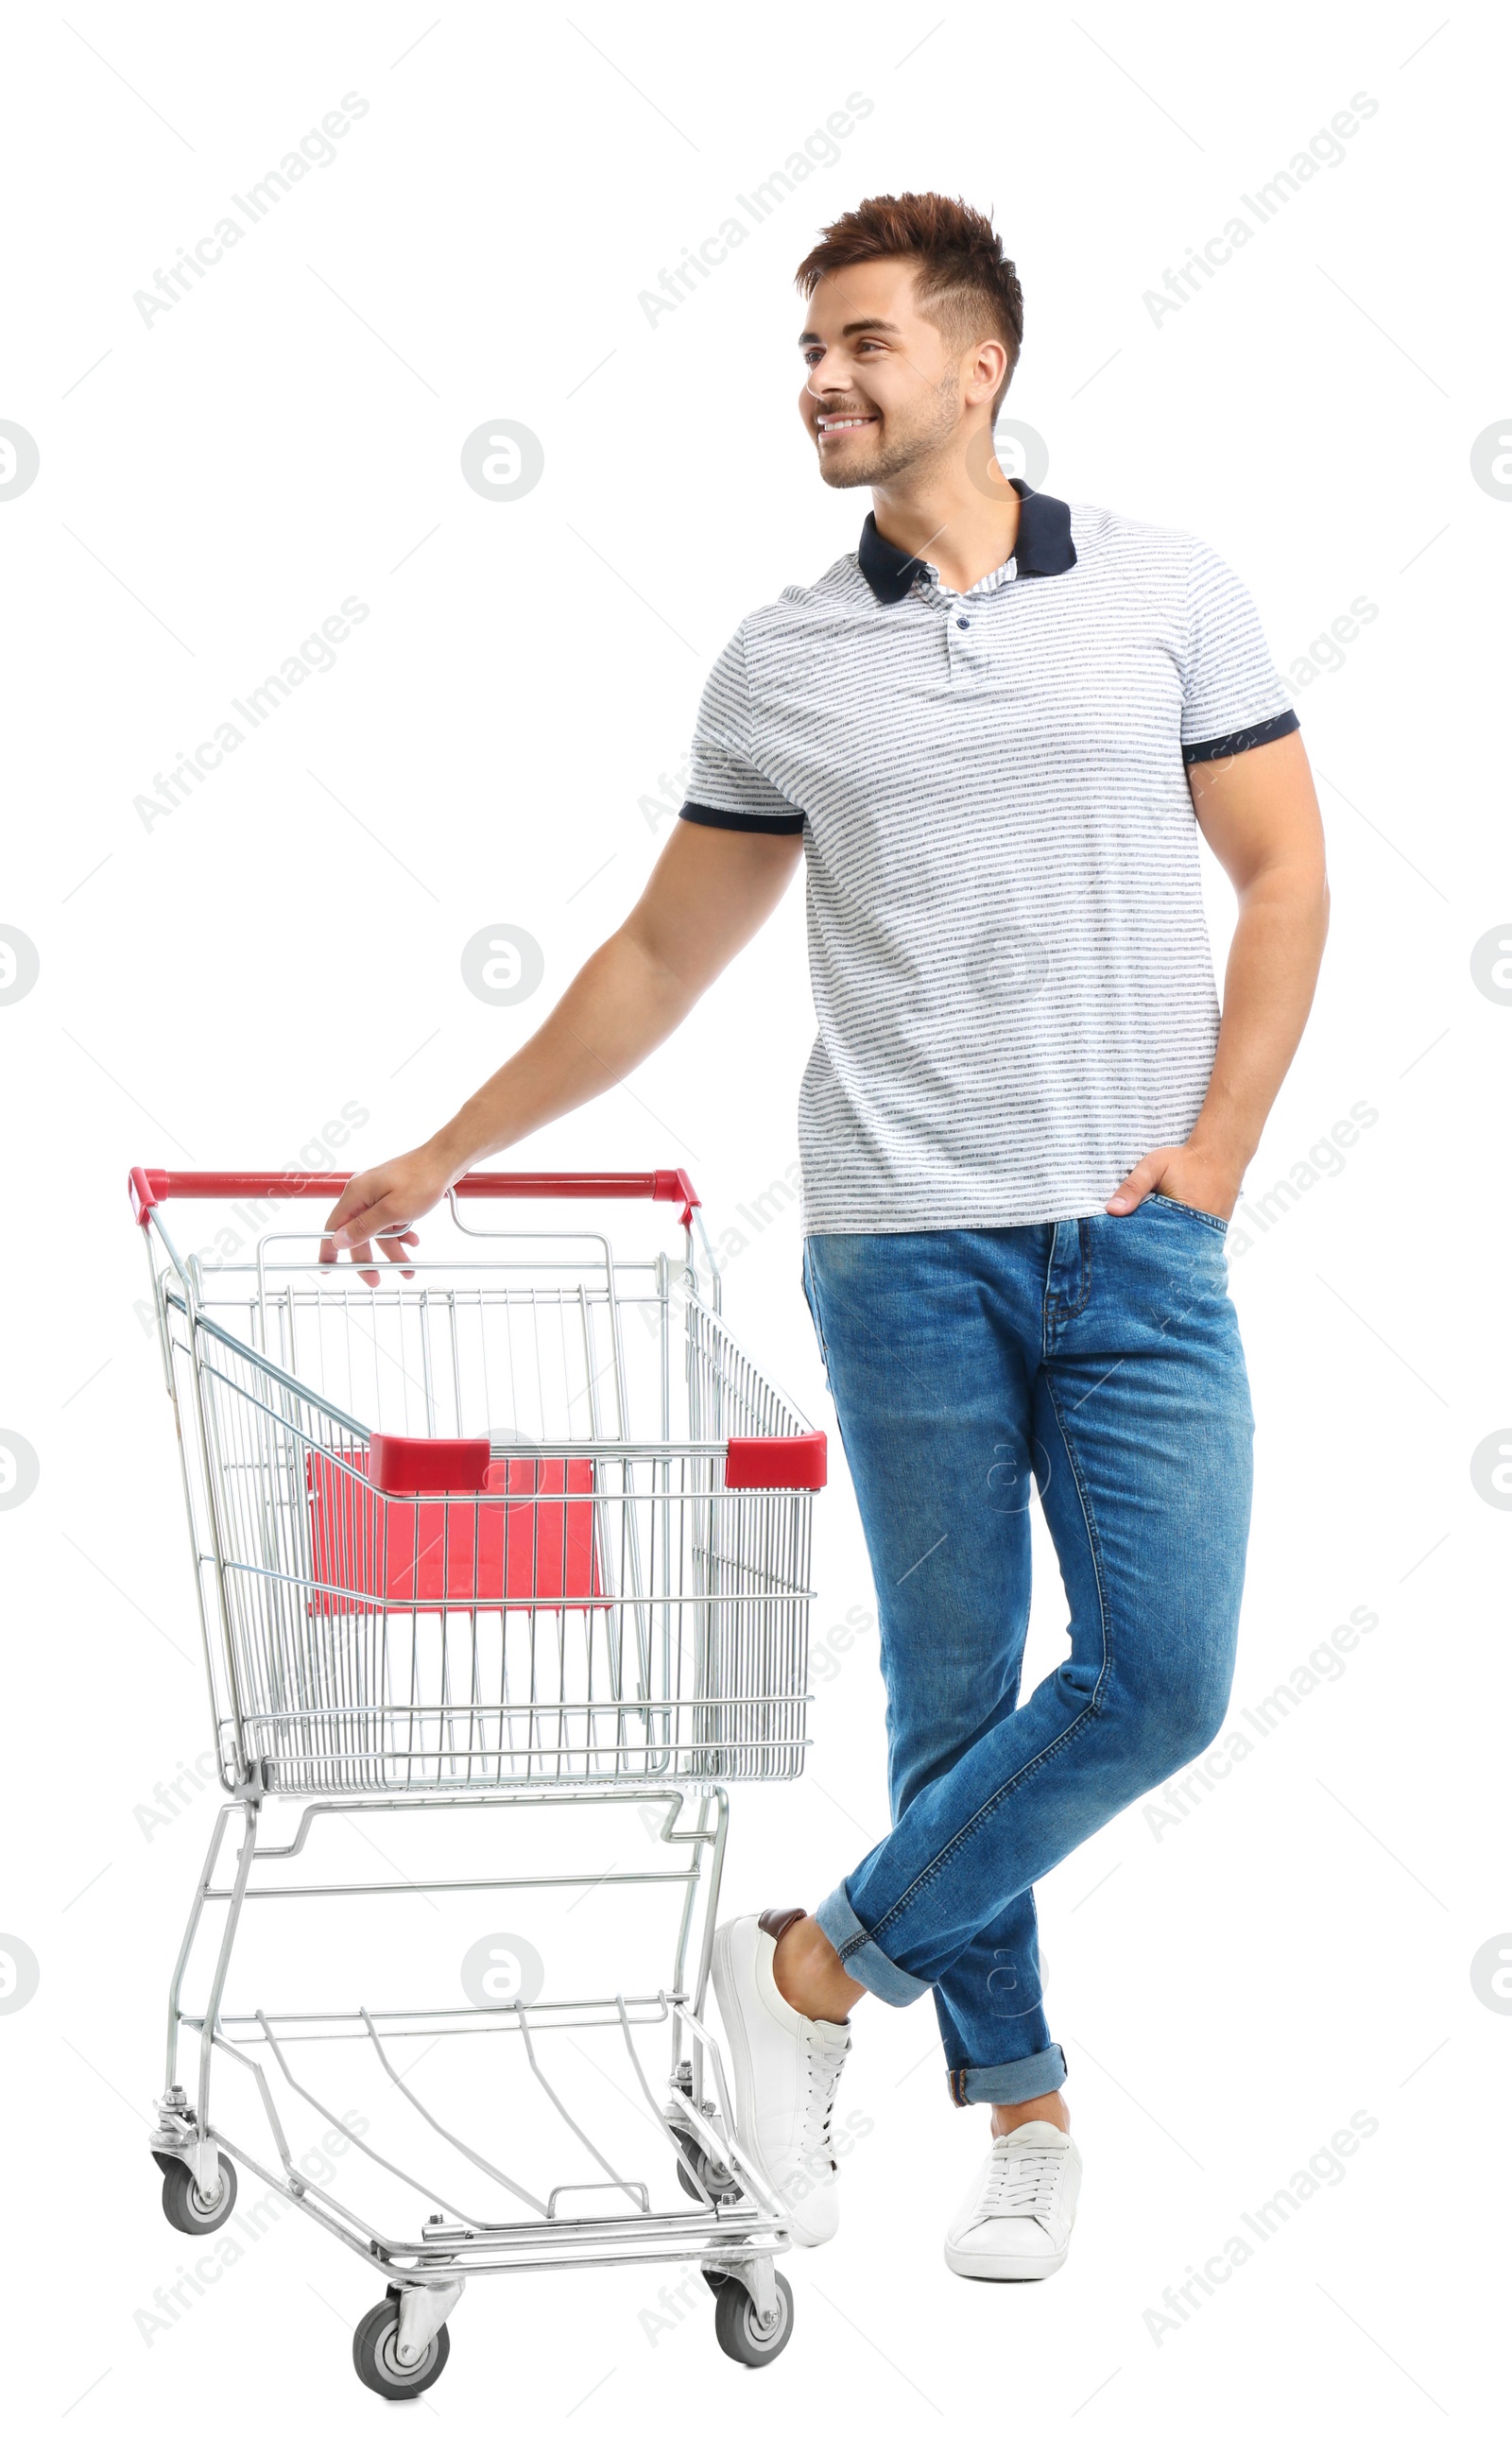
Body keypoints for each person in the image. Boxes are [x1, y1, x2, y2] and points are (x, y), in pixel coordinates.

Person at [321, 192, 1328, 2284]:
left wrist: (1218, 1156)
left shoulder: (1163, 595)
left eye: (859, 344)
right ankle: (1020, 2112)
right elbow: (661, 954)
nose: (820, 383)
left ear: (978, 364)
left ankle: (806, 1976)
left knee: (1157, 1681)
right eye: (804, 353)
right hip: (896, 1245)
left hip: (1136, 1243)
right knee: (955, 1704)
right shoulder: (783, 657)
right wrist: (445, 1145)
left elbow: (1284, 873)